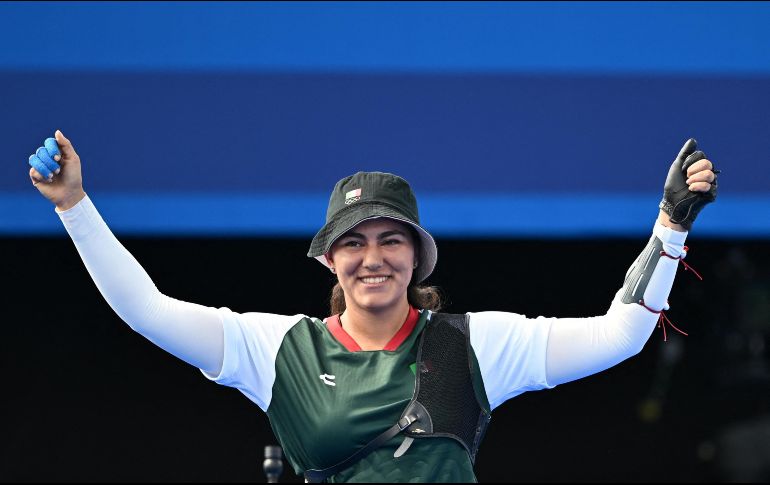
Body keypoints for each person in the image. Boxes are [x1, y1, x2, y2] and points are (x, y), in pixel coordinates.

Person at [27, 130, 718, 482]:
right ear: (330, 260)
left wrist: (669, 225)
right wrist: (75, 207)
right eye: (353, 243)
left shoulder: (474, 345)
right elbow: (145, 308)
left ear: (418, 256)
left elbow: (623, 332)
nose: (373, 257)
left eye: (392, 239)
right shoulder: (277, 350)